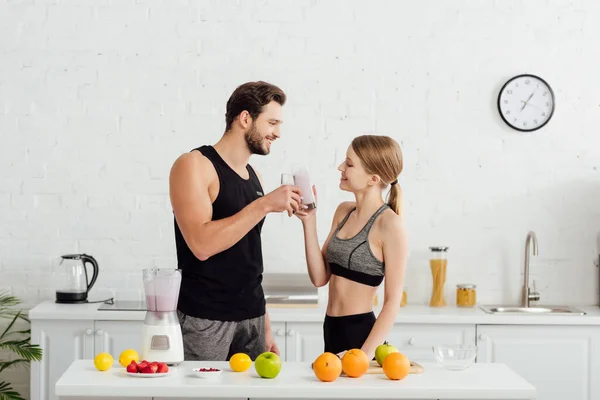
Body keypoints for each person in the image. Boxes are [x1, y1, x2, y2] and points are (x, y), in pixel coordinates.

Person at [169, 81, 303, 361]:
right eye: (272, 123)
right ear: (245, 118)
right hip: (205, 319)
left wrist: (265, 325)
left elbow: (249, 261)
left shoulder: (254, 175)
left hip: (252, 318)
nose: (277, 133)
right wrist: (265, 204)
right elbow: (201, 244)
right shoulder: (194, 164)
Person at [295, 134, 408, 361]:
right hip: (331, 330)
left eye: (349, 163)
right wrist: (309, 221)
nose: (340, 167)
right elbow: (319, 278)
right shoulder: (343, 211)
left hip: (362, 338)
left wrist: (362, 357)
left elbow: (392, 302)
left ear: (373, 178)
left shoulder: (390, 225)